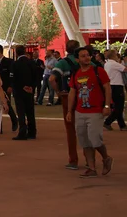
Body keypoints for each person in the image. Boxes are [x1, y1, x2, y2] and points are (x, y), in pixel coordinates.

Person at [66, 47, 113, 178]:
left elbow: (107, 88)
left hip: (95, 111)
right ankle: (92, 168)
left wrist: (107, 105)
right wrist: (69, 111)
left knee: (95, 140)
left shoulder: (99, 71)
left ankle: (106, 158)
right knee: (84, 142)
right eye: (83, 56)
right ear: (77, 59)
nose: (86, 58)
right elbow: (72, 92)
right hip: (80, 111)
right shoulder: (76, 74)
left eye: (88, 55)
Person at [49, 40, 82, 169]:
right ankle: (90, 158)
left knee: (70, 129)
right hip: (84, 96)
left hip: (67, 96)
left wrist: (58, 92)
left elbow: (52, 79)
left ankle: (73, 160)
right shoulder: (83, 61)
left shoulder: (62, 63)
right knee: (86, 128)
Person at [10, 45, 37, 140]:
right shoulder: (32, 62)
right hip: (29, 91)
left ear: (16, 53)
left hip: (19, 91)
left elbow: (13, 78)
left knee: (21, 112)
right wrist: (31, 87)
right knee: (30, 111)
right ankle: (32, 132)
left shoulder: (15, 64)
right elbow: (37, 76)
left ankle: (22, 132)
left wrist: (20, 87)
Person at [0, 45, 18, 132]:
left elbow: (12, 74)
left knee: (6, 104)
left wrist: (11, 86)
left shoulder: (9, 62)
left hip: (6, 87)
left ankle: (14, 120)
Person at [103, 49, 127, 131]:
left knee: (118, 106)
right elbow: (125, 69)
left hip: (111, 86)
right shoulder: (114, 64)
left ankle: (122, 125)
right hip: (117, 86)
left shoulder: (107, 64)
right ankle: (108, 122)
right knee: (119, 107)